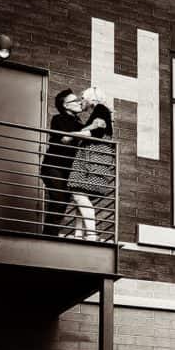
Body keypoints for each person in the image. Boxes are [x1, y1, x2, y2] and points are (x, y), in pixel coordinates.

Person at [66, 87, 115, 241]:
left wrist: (73, 135)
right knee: (80, 195)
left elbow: (97, 132)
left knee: (79, 194)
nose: (82, 101)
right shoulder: (101, 111)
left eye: (83, 98)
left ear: (91, 100)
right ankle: (79, 234)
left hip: (93, 159)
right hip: (93, 158)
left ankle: (92, 234)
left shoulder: (100, 109)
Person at [40, 89, 84, 236]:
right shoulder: (59, 119)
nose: (79, 102)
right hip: (53, 166)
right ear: (65, 106)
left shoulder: (79, 123)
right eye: (74, 101)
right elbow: (65, 139)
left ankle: (50, 235)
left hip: (67, 169)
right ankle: (48, 237)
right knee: (59, 199)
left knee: (62, 202)